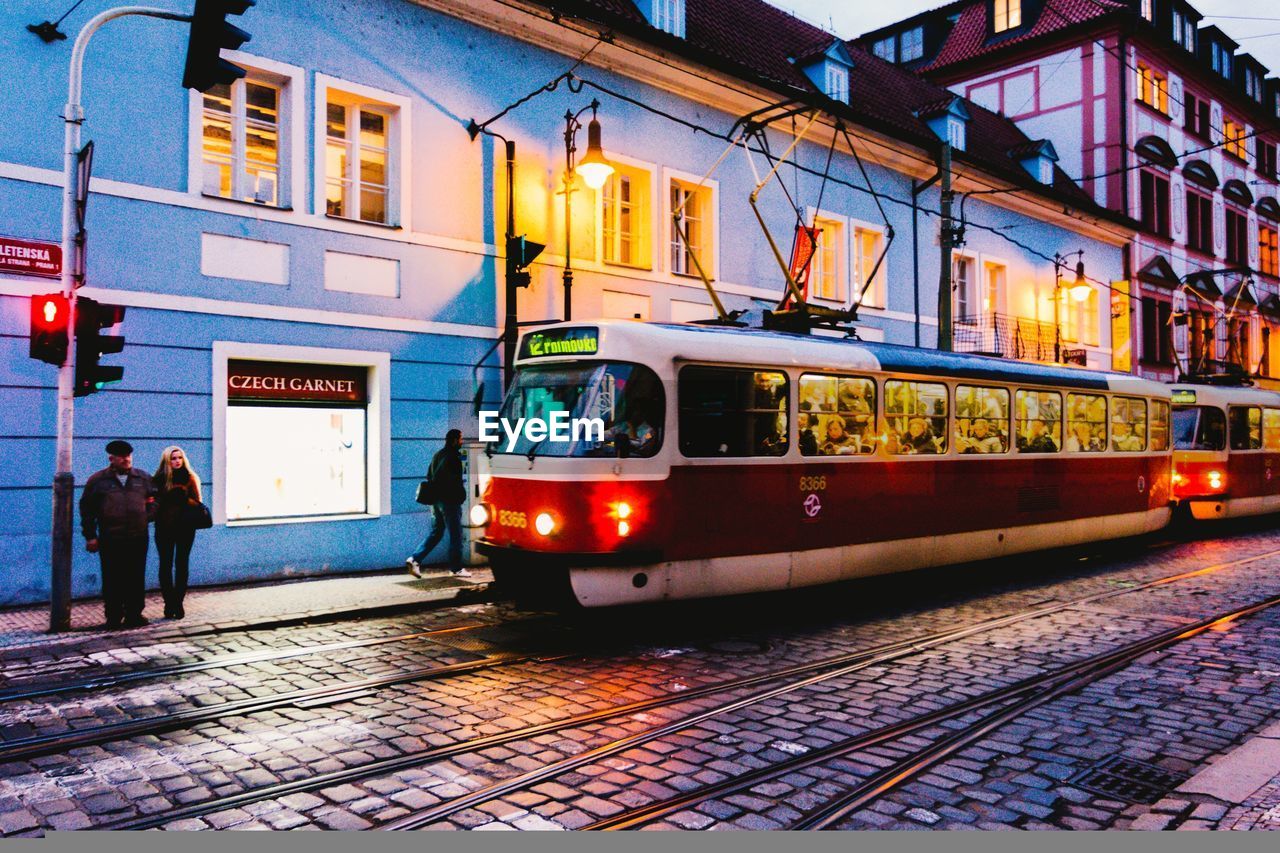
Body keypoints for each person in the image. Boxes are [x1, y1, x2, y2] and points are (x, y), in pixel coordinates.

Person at [80, 440, 156, 629]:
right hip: (111, 537)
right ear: (111, 458)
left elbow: (155, 500)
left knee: (136, 576)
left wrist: (146, 517)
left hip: (138, 537)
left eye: (129, 455)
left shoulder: (143, 478)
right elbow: (86, 510)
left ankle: (134, 614)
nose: (126, 459)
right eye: (122, 456)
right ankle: (114, 616)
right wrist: (90, 536)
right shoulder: (98, 481)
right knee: (112, 578)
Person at [407, 429, 469, 579]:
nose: (462, 442)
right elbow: (455, 481)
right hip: (449, 502)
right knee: (456, 535)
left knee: (437, 532)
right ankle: (456, 569)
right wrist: (461, 496)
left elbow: (429, 476)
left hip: (435, 502)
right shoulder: (454, 457)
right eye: (461, 439)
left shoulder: (438, 455)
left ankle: (415, 559)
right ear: (454, 440)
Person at [153, 446, 203, 619]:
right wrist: (166, 498)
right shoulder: (158, 480)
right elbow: (154, 504)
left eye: (180, 458)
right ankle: (169, 602)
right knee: (165, 565)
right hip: (164, 528)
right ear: (167, 461)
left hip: (185, 528)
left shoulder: (189, 478)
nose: (177, 461)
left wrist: (184, 498)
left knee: (182, 565)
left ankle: (179, 602)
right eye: (173, 458)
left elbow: (198, 504)